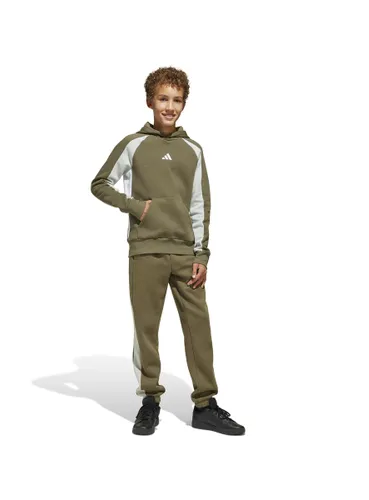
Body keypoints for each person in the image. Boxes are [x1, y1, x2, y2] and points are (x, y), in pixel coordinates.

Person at [90, 66, 245, 436]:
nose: (170, 106)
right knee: (147, 329)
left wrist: (201, 255)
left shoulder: (193, 150)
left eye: (177, 100)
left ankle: (205, 405)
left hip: (185, 255)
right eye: (163, 99)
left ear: (184, 104)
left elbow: (199, 205)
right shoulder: (133, 144)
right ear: (150, 101)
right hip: (146, 251)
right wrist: (135, 207)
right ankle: (150, 401)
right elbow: (100, 183)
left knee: (199, 328)